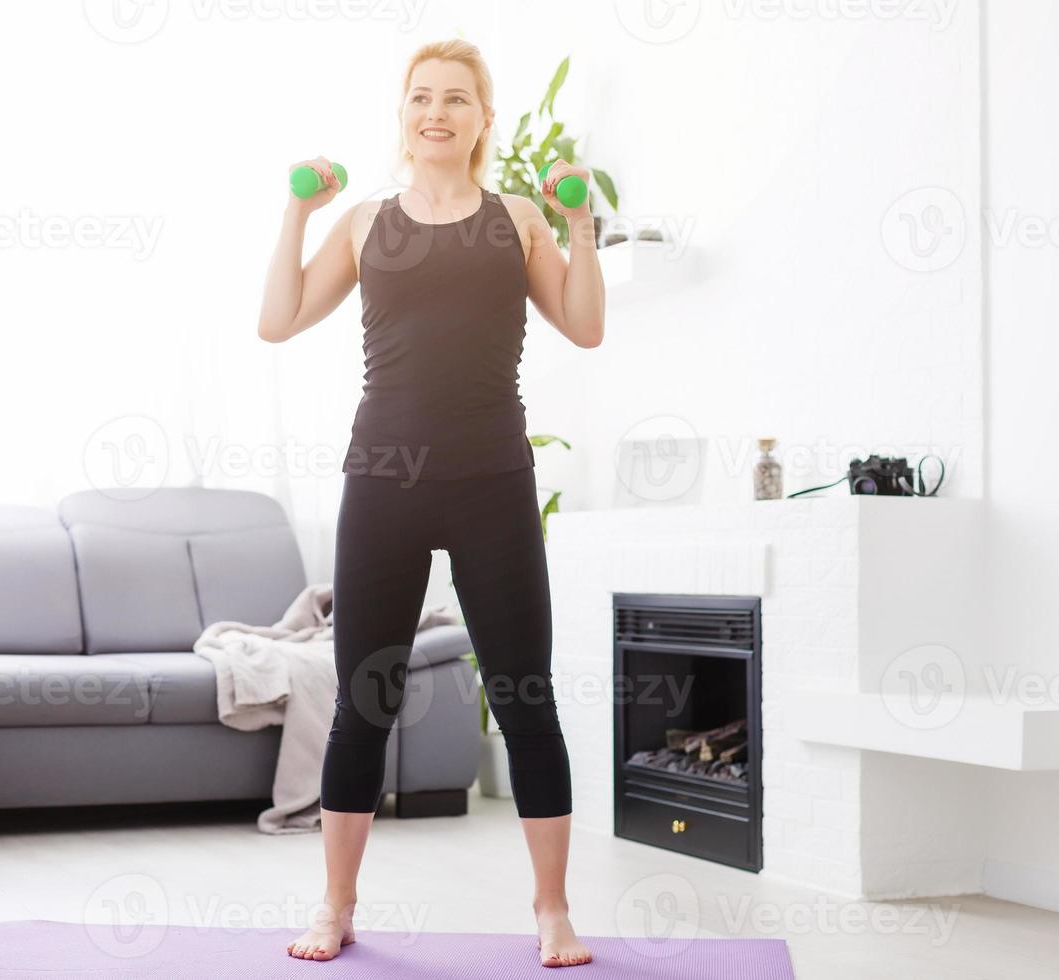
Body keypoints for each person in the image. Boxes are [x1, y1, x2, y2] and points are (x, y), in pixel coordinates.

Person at [256, 38, 604, 969]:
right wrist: (298, 210)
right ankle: (334, 906)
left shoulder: (519, 217)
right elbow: (278, 319)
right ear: (403, 116)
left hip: (494, 480)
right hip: (385, 482)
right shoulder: (367, 224)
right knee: (362, 702)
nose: (437, 112)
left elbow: (585, 325)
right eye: (420, 98)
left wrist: (580, 227)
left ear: (484, 118)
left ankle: (553, 913)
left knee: (525, 697)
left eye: (456, 98)